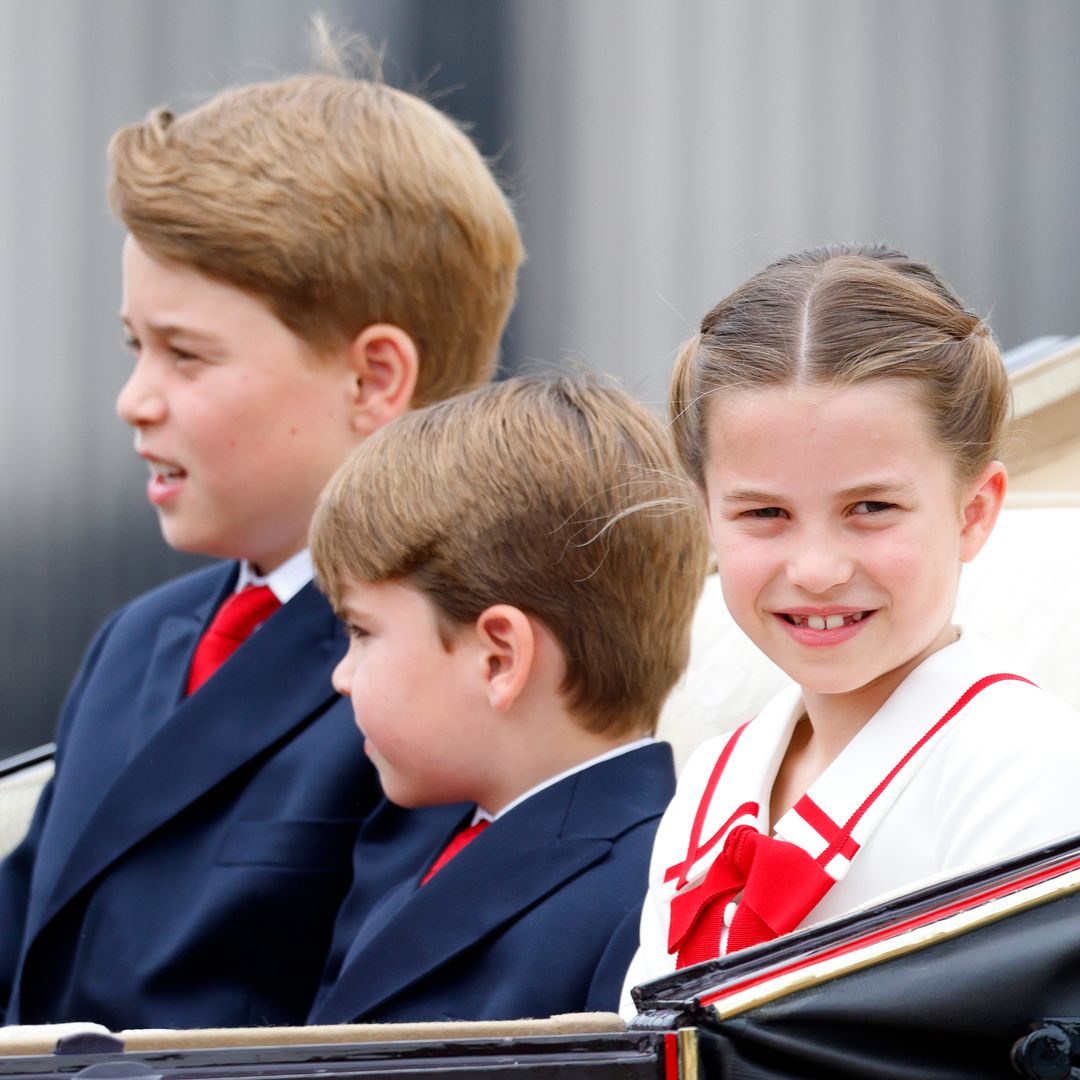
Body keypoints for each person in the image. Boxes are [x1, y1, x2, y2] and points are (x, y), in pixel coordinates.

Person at [0, 69, 523, 1029]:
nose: (136, 399)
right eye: (134, 348)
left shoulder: (464, 674)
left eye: (186, 354)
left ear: (373, 377)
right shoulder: (134, 641)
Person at [622, 243, 1080, 1004]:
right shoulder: (709, 781)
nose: (817, 568)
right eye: (764, 513)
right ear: (706, 515)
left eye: (870, 508)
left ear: (974, 511)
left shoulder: (1025, 768)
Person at [304, 374, 709, 1023]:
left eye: (361, 632)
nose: (342, 676)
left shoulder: (649, 904)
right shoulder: (415, 842)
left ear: (499, 658)